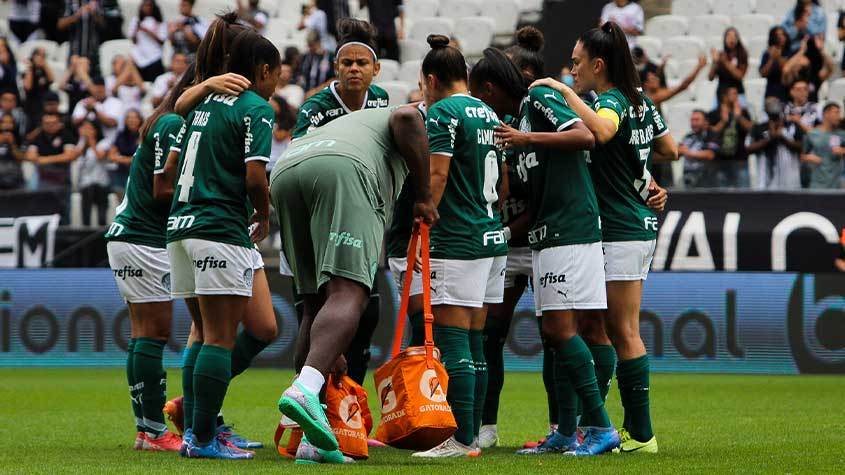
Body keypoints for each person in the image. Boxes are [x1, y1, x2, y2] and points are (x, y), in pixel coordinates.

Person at [532, 20, 677, 455]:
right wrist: (645, 176)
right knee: (600, 326)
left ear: (599, 64)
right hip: (630, 224)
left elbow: (605, 131)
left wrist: (565, 93)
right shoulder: (644, 102)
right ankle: (590, 427)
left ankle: (641, 434)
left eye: (577, 65)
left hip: (620, 229)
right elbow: (668, 149)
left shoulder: (611, 100)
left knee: (621, 329)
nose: (572, 71)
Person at [271, 107, 436, 463]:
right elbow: (408, 118)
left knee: (314, 303)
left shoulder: (353, 123)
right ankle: (306, 389)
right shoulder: (411, 116)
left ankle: (313, 442)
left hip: (286, 170)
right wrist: (424, 194)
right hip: (343, 170)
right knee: (350, 293)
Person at [159, 29, 280, 460]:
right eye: (277, 73)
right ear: (264, 71)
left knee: (206, 335)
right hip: (219, 226)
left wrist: (205, 85)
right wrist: (264, 215)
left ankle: (197, 427)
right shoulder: (257, 109)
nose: (278, 83)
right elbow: (254, 177)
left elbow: (176, 108)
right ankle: (204, 438)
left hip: (181, 226)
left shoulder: (198, 105)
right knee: (219, 339)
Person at [395, 35, 506, 459]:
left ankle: (459, 440)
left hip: (458, 238)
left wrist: (423, 215)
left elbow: (437, 175)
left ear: (431, 79)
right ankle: (472, 435)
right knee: (476, 339)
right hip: (492, 234)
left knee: (452, 337)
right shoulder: (487, 111)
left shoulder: (443, 112)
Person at [468, 26, 553, 451]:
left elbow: (543, 198)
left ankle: (562, 425)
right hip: (504, 245)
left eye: (525, 74)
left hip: (537, 242)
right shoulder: (485, 122)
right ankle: (486, 424)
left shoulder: (538, 121)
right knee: (489, 336)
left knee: (555, 337)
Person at [103, 70, 188, 454]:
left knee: (143, 334)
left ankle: (146, 428)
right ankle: (154, 432)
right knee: (153, 333)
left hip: (129, 237)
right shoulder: (173, 123)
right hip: (142, 239)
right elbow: (162, 190)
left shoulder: (163, 122)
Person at [292, 19, 389, 139]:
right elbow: (298, 150)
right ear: (336, 67)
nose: (354, 69)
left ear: (376, 68)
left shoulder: (380, 97)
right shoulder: (315, 107)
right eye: (347, 63)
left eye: (362, 63)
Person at [748, 98, 802, 190]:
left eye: (776, 102)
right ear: (765, 108)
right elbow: (749, 148)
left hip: (790, 182)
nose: (774, 105)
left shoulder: (791, 125)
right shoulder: (758, 127)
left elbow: (801, 147)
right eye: (770, 103)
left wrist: (783, 137)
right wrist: (769, 139)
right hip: (765, 181)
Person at [708, 86, 753, 187]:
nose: (736, 97)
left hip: (740, 159)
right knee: (723, 196)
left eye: (737, 94)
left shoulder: (743, 112)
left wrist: (739, 117)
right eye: (733, 94)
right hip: (720, 161)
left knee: (743, 194)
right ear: (724, 96)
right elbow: (711, 133)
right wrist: (723, 121)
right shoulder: (714, 113)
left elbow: (751, 129)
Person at [25, 111, 79, 192]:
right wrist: (59, 158)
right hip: (43, 177)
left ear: (60, 124)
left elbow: (70, 156)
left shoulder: (66, 135)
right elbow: (30, 156)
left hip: (62, 176)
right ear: (42, 124)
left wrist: (45, 160)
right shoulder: (37, 137)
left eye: (53, 123)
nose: (50, 126)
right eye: (47, 123)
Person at [801, 102, 845, 189]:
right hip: (817, 184)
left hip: (836, 185)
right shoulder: (812, 134)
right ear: (826, 114)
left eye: (839, 113)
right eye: (836, 112)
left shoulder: (842, 134)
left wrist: (843, 151)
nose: (839, 117)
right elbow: (802, 156)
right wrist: (809, 157)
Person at [76, 118, 112, 226]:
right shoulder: (80, 143)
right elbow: (75, 156)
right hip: (85, 184)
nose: (86, 131)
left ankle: (101, 240)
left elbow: (100, 157)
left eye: (89, 128)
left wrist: (91, 141)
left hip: (101, 183)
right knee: (85, 216)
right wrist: (84, 142)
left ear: (96, 130)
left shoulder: (104, 143)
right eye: (84, 128)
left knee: (101, 217)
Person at [58, 0, 105, 76]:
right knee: (73, 79)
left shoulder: (96, 2)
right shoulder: (70, 2)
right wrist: (76, 15)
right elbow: (60, 24)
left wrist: (94, 13)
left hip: (92, 50)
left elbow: (104, 24)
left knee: (93, 77)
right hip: (74, 50)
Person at [782, 35, 834, 103]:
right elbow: (786, 70)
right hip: (792, 110)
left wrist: (821, 50)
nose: (801, 61)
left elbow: (830, 68)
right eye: (799, 60)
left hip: (811, 110)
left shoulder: (815, 77)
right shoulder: (791, 79)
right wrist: (801, 51)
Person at [72, 76, 123, 143]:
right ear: (91, 89)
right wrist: (87, 112)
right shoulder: (83, 102)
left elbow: (111, 123)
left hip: (110, 142)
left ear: (105, 88)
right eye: (95, 90)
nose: (98, 92)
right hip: (86, 143)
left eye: (100, 90)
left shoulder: (116, 102)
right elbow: (74, 123)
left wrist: (94, 110)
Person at [679, 109, 720, 188]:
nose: (693, 123)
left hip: (707, 182)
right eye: (692, 120)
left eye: (697, 120)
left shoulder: (711, 135)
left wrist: (687, 152)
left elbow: (710, 154)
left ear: (706, 122)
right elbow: (678, 152)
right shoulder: (688, 137)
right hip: (688, 180)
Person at [128, 0, 167, 82]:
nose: (147, 8)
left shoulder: (160, 22)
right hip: (140, 57)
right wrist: (137, 30)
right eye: (145, 5)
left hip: (155, 57)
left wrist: (148, 31)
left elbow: (162, 41)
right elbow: (133, 40)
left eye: (149, 5)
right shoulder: (136, 21)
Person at [708, 28, 748, 106]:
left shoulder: (742, 54)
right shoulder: (720, 55)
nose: (731, 38)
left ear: (737, 39)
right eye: (729, 36)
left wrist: (725, 62)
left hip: (737, 93)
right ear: (724, 39)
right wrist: (715, 62)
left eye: (734, 36)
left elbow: (740, 76)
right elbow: (710, 77)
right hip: (721, 94)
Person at [108, 108, 143, 197]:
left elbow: (141, 158)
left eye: (135, 118)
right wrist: (130, 160)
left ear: (140, 119)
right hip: (122, 172)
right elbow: (111, 156)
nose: (132, 120)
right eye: (129, 118)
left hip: (138, 173)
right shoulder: (121, 134)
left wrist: (121, 159)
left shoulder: (144, 135)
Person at [297, 29, 335, 96]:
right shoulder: (305, 57)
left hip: (324, 93)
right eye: (309, 45)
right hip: (306, 93)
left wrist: (317, 90)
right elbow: (301, 75)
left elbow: (335, 79)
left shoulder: (330, 57)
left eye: (312, 45)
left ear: (319, 42)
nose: (310, 48)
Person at [22, 47, 54, 125]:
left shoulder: (44, 69)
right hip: (31, 104)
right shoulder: (28, 69)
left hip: (44, 103)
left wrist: (44, 64)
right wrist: (30, 67)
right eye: (38, 55)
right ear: (33, 56)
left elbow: (51, 80)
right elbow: (28, 87)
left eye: (43, 56)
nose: (40, 58)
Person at [760, 26, 790, 103]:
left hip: (788, 92)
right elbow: (763, 73)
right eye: (777, 35)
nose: (780, 38)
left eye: (782, 35)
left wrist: (778, 58)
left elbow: (787, 71)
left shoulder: (790, 53)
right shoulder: (767, 53)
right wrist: (771, 59)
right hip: (772, 93)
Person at [0, 113, 25, 190]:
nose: (7, 125)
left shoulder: (18, 138)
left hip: (13, 171)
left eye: (10, 122)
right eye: (4, 122)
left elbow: (21, 158)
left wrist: (12, 144)